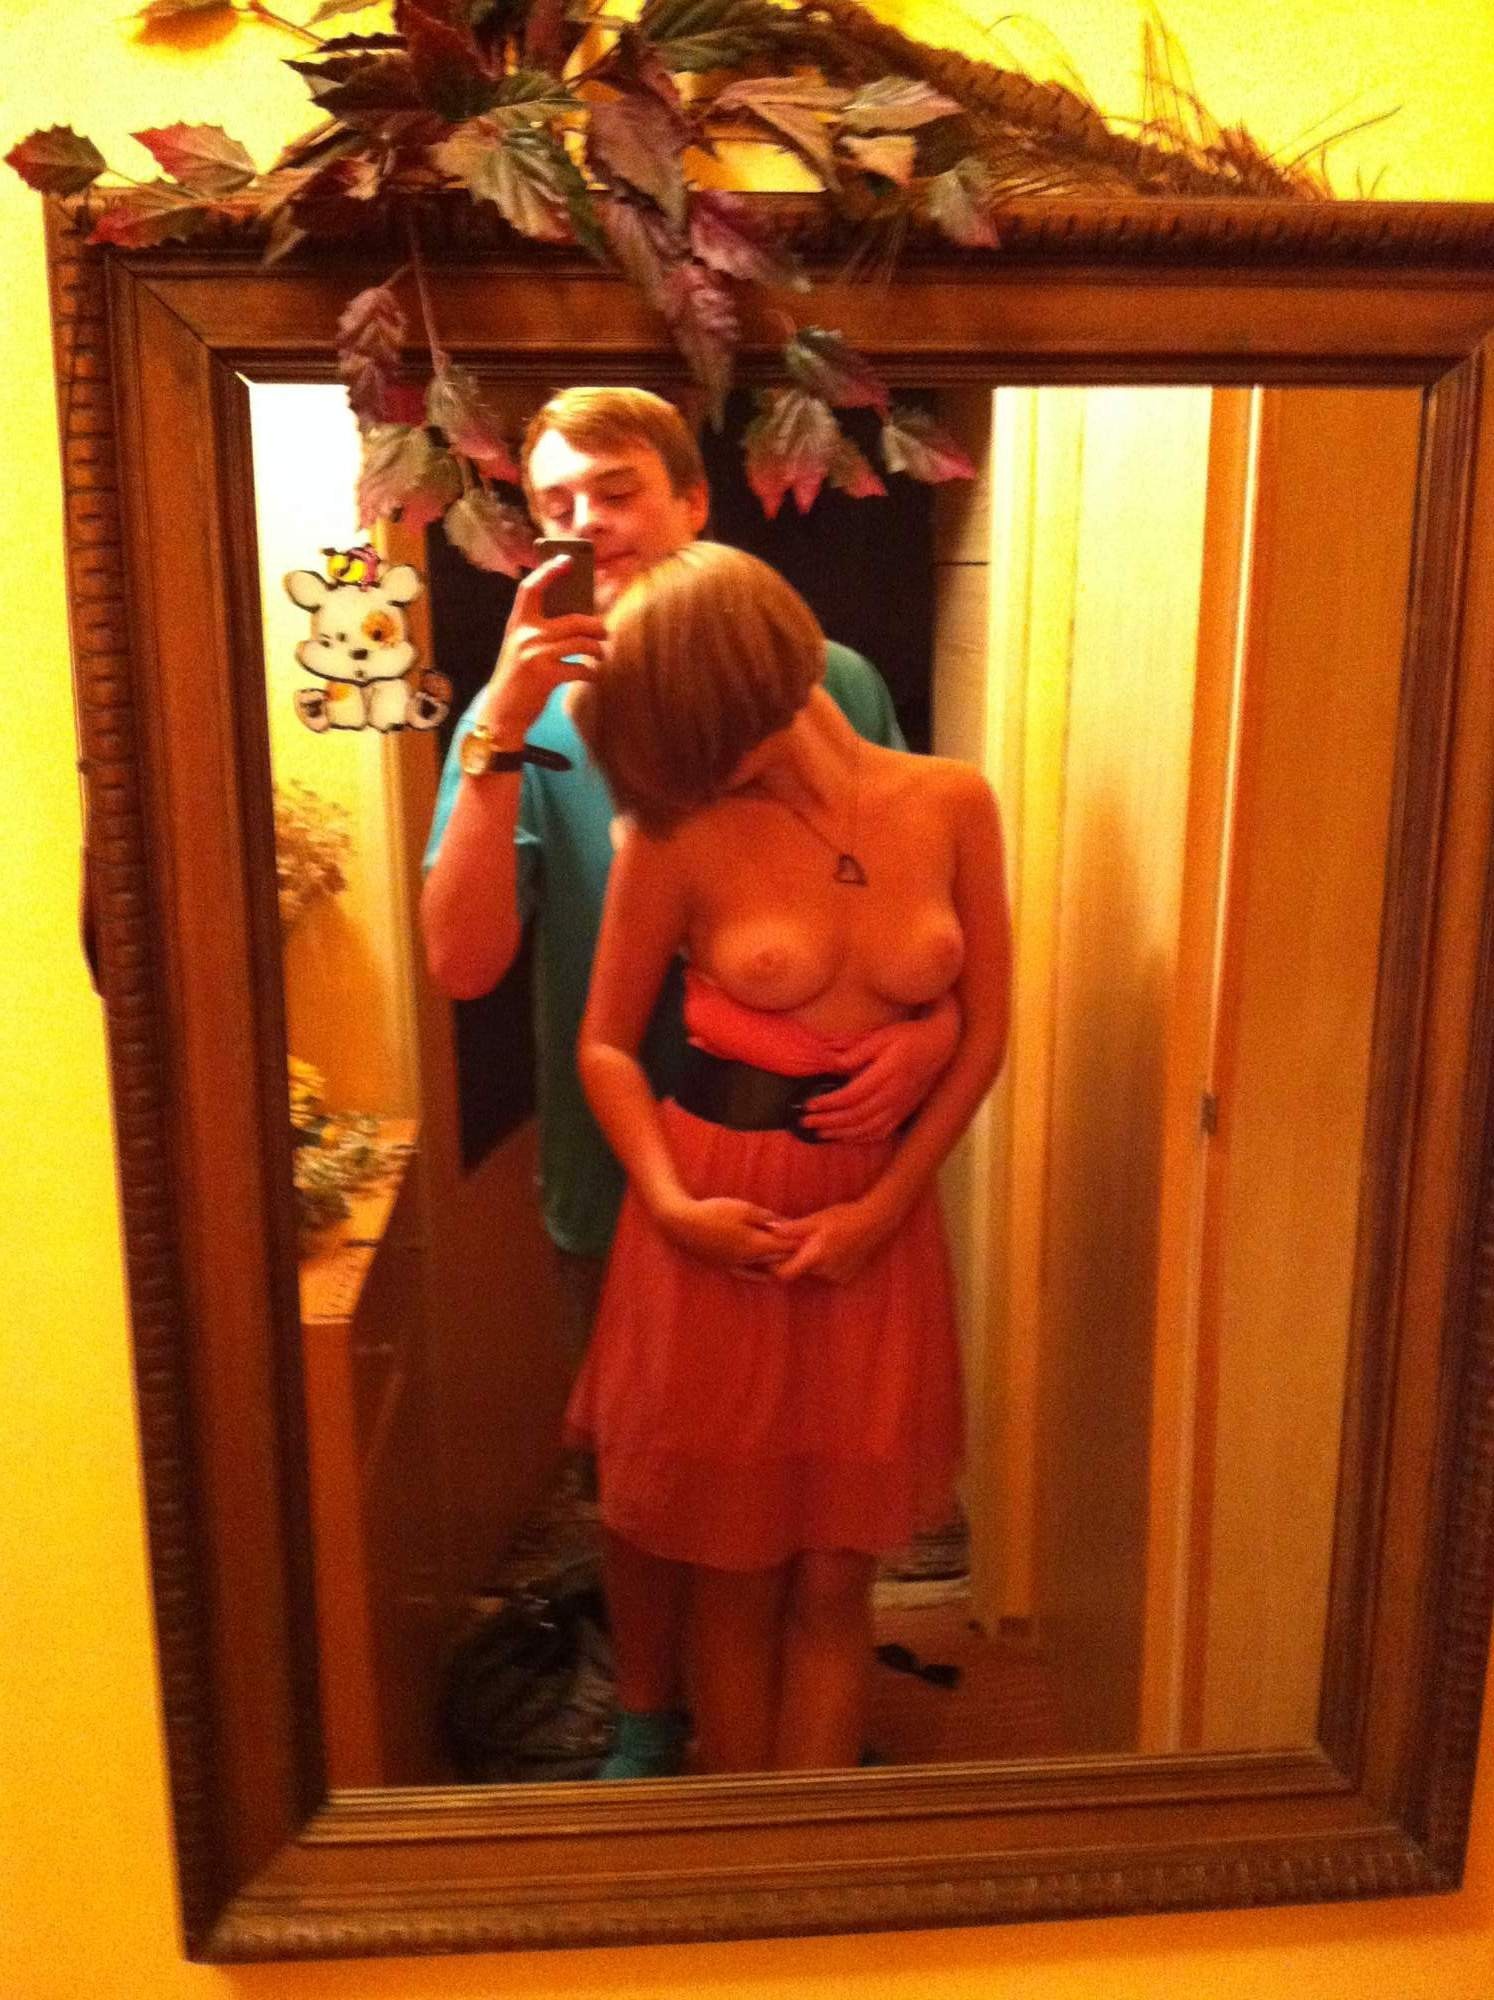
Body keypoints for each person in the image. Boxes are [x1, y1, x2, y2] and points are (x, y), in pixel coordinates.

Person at [420, 388, 960, 1778]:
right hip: (619, 1170)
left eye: (615, 490)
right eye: (553, 503)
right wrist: (498, 729)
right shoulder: (528, 714)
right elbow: (462, 961)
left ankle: (781, 1746)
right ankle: (650, 1718)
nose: (586, 524)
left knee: (810, 1502)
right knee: (650, 1490)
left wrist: (933, 1032)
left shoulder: (824, 677)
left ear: (692, 502)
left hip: (829, 1157)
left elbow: (901, 898)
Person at [566, 542, 1012, 1774]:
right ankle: (738, 1844)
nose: (674, 765)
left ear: (749, 686)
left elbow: (986, 1031)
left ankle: (819, 1842)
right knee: (732, 1567)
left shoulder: (953, 801)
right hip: (716, 1218)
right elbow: (604, 1043)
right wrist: (667, 1201)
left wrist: (886, 1207)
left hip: (876, 1221)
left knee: (832, 1572)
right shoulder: (679, 832)